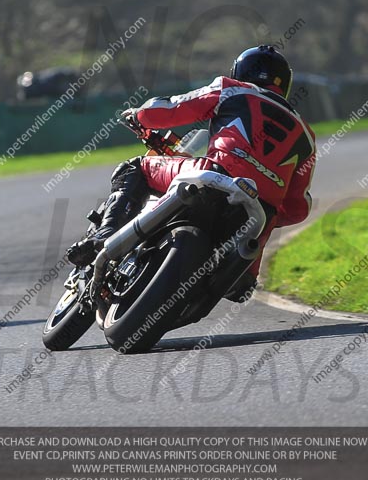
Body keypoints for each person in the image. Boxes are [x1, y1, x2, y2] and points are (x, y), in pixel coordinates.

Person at [67, 45, 317, 301]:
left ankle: (105, 234)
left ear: (240, 71)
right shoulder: (307, 135)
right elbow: (298, 207)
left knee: (134, 168)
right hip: (258, 216)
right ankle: (230, 278)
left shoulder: (232, 89)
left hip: (213, 174)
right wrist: (272, 207)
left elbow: (174, 108)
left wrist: (140, 116)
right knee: (241, 289)